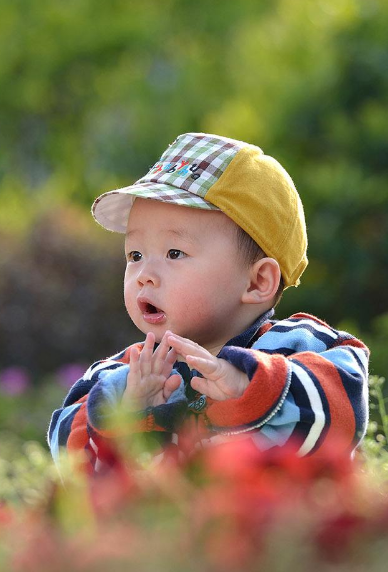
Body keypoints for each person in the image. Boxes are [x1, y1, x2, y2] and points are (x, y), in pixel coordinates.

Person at [47, 133, 369, 474]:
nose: (144, 274)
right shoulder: (122, 374)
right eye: (135, 254)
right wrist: (125, 413)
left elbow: (344, 411)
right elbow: (68, 461)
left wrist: (250, 390)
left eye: (174, 253)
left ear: (258, 281)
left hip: (283, 525)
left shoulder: (296, 346)